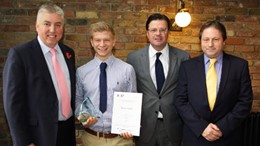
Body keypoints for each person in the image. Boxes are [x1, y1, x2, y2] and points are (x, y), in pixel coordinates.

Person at [2, 3, 76, 146]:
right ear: (37, 26)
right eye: (47, 24)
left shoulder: (68, 53)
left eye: (58, 24)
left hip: (67, 132)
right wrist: (24, 142)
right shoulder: (20, 55)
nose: (52, 30)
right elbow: (12, 104)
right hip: (38, 136)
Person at [174, 20, 253, 146]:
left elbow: (245, 102)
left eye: (215, 39)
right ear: (200, 42)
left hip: (228, 137)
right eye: (206, 39)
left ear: (224, 41)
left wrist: (221, 128)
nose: (210, 44)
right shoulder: (187, 67)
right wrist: (202, 127)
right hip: (196, 137)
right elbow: (180, 101)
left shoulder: (239, 66)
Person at [127, 13, 189, 146]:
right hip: (145, 126)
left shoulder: (183, 57)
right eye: (154, 30)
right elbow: (131, 92)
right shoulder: (133, 58)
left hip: (173, 126)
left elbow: (187, 93)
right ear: (147, 33)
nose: (158, 34)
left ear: (168, 32)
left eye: (163, 30)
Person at [75, 21, 137, 146]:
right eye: (98, 40)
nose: (102, 44)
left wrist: (130, 125)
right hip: (91, 138)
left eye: (106, 40)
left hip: (121, 140)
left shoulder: (127, 70)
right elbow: (78, 100)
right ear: (91, 42)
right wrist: (83, 117)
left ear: (113, 41)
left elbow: (132, 101)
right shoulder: (82, 72)